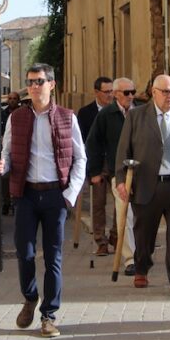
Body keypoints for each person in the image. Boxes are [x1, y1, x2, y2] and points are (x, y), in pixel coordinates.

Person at [0, 63, 86, 338]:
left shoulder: (68, 118)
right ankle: (30, 296)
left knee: (53, 257)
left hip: (56, 194)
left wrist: (70, 194)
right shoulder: (17, 118)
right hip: (27, 194)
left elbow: (81, 158)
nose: (34, 86)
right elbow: (7, 152)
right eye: (31, 81)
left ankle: (49, 315)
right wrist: (2, 166)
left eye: (40, 81)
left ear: (52, 85)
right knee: (25, 253)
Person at [115, 74, 170, 297]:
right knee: (144, 234)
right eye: (165, 92)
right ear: (154, 93)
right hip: (147, 185)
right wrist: (120, 181)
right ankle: (142, 269)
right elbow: (123, 152)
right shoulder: (137, 117)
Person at [86, 77, 138, 276]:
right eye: (126, 93)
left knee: (139, 215)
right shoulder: (106, 115)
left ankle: (141, 253)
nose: (131, 96)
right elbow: (93, 142)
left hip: (142, 171)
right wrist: (95, 171)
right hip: (119, 171)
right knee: (125, 211)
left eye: (133, 92)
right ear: (116, 94)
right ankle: (130, 258)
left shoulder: (141, 111)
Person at [77, 76, 115, 255]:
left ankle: (116, 235)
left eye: (112, 92)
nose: (110, 96)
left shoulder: (118, 110)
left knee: (121, 202)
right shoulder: (85, 113)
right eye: (106, 92)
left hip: (116, 163)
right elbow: (82, 141)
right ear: (97, 92)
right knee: (98, 203)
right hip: (96, 164)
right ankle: (101, 240)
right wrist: (89, 168)